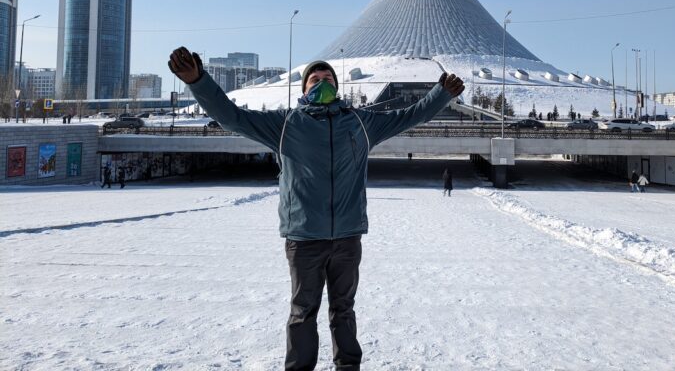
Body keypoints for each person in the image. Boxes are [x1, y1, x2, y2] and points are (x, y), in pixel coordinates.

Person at [168, 46, 464, 370]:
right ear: (304, 88)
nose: (321, 82)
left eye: (327, 79)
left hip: (347, 238)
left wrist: (440, 94)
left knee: (344, 311)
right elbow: (231, 116)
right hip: (305, 238)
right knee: (302, 313)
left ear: (336, 88)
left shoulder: (359, 123)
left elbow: (407, 117)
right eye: (314, 79)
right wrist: (198, 81)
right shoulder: (285, 124)